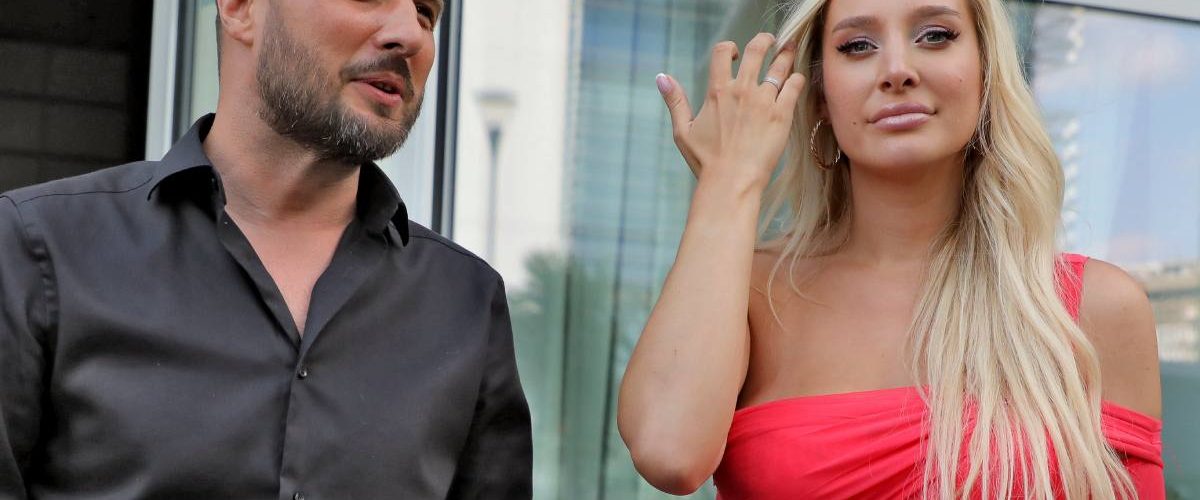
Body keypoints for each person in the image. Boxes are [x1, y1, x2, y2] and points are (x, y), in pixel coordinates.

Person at [617, 0, 1163, 497]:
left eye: (935, 35)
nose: (897, 69)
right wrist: (729, 180)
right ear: (821, 95)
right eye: (858, 46)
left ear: (985, 72)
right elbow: (669, 454)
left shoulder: (1090, 309)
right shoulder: (753, 294)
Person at [0, 0, 532, 498]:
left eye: (426, 13)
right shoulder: (37, 249)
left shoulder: (465, 302)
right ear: (240, 8)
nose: (409, 35)